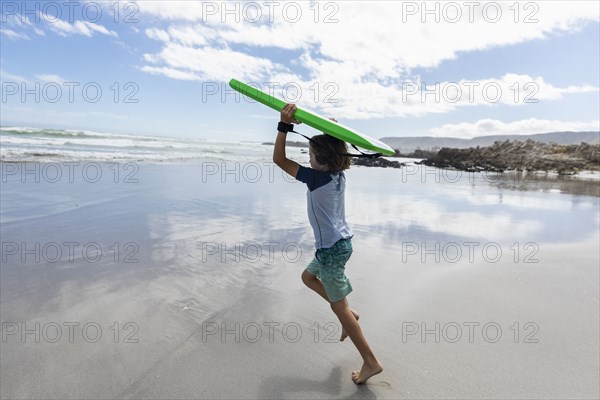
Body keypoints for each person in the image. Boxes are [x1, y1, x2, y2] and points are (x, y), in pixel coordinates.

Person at [272, 103, 383, 384]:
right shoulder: (337, 175)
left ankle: (370, 361)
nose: (307, 161)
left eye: (309, 156)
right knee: (308, 277)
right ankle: (350, 313)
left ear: (320, 161)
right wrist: (329, 130)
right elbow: (331, 151)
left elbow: (279, 160)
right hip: (338, 245)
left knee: (338, 307)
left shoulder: (315, 178)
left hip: (331, 249)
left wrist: (284, 127)